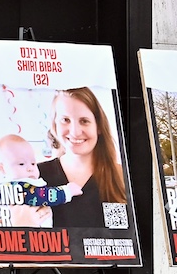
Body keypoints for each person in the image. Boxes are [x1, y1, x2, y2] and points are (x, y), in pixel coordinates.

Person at [36, 88, 126, 229]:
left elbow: (123, 237)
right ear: (54, 125)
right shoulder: (35, 176)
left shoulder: (120, 177)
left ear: (99, 127)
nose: (75, 132)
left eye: (84, 121)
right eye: (65, 120)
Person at [0, 134, 82, 228]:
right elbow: (41, 195)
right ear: (2, 168)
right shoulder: (14, 186)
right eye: (21, 164)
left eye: (33, 163)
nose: (30, 168)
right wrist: (67, 191)